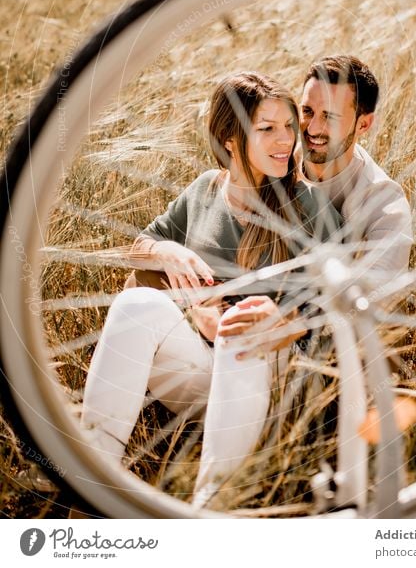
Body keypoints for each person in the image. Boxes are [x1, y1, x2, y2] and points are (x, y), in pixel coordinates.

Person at [80, 71, 341, 508]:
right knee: (136, 304)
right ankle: (90, 474)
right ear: (231, 139)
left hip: (274, 389)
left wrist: (277, 322)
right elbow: (137, 248)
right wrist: (165, 252)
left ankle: (211, 510)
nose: (286, 141)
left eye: (288, 127)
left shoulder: (307, 205)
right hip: (205, 382)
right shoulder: (204, 189)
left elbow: (331, 313)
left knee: (239, 330)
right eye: (268, 128)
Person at [299, 55, 412, 282]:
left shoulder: (384, 203)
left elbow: (374, 297)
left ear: (363, 124)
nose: (312, 128)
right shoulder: (273, 160)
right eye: (308, 111)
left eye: (329, 116)